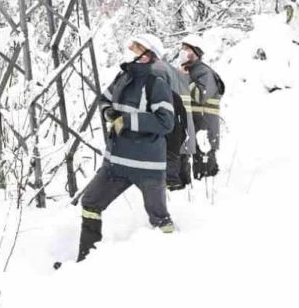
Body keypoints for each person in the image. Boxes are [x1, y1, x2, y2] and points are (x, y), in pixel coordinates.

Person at [77, 33, 175, 262]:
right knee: (90, 202)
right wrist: (108, 111)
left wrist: (128, 120)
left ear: (148, 55)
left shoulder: (157, 83)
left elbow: (165, 122)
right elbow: (104, 99)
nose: (130, 50)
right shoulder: (123, 76)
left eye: (136, 47)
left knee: (160, 219)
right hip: (117, 163)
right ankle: (85, 262)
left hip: (148, 166)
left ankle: (174, 261)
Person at [180, 36, 224, 179]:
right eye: (183, 49)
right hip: (194, 122)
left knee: (205, 164)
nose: (184, 52)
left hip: (205, 124)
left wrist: (186, 78)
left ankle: (210, 193)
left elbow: (200, 96)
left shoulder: (204, 71)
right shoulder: (188, 70)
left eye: (187, 49)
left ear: (196, 52)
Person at [152, 47, 195, 191]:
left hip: (171, 134)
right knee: (180, 158)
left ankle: (175, 185)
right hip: (179, 133)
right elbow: (183, 113)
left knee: (171, 161)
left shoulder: (163, 93)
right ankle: (184, 184)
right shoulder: (174, 90)